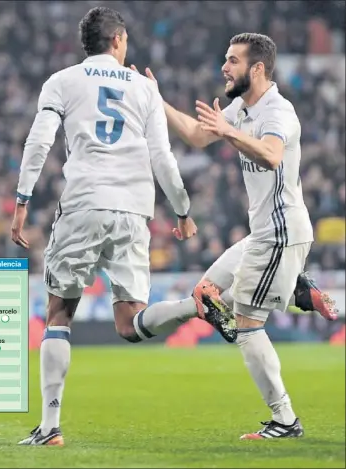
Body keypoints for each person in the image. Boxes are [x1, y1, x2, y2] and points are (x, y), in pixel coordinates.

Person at [12, 7, 236, 446]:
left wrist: (22, 200)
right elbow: (163, 159)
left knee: (59, 314)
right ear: (118, 40)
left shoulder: (62, 80)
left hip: (83, 204)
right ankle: (195, 306)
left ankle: (50, 427)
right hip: (134, 211)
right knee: (130, 324)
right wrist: (183, 210)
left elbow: (38, 142)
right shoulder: (144, 89)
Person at [132, 33, 338, 440]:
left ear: (257, 68)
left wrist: (227, 130)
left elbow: (272, 154)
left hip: (281, 234)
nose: (224, 67)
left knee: (246, 324)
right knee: (205, 297)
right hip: (262, 236)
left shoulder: (278, 111)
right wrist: (157, 101)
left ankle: (284, 420)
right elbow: (196, 134)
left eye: (232, 61)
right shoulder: (241, 108)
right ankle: (297, 289)